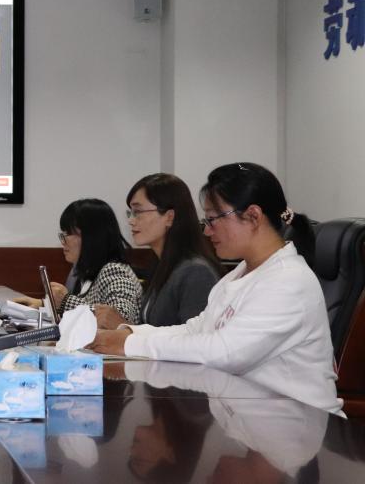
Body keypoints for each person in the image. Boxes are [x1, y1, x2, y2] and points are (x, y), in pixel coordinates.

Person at [91, 162, 342, 415]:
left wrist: (131, 344)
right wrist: (130, 333)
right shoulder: (239, 274)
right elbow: (195, 329)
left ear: (253, 216)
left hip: (302, 425)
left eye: (213, 219)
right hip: (253, 420)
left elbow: (225, 353)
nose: (208, 230)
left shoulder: (288, 281)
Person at [95, 173, 221, 329]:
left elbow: (194, 339)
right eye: (130, 213)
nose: (131, 221)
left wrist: (123, 325)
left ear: (169, 217)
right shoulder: (161, 265)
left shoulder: (196, 272)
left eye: (138, 212)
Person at [14, 199, 142, 322]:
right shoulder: (87, 270)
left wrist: (65, 301)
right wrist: (44, 304)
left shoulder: (115, 270)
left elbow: (120, 318)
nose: (63, 241)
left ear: (91, 236)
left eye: (68, 234)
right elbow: (86, 307)